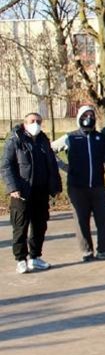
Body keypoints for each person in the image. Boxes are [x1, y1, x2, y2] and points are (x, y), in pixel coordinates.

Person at [52, 105, 105, 261]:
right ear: (79, 118)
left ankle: (104, 250)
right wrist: (65, 167)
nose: (88, 118)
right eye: (85, 115)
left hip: (98, 186)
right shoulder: (70, 137)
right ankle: (87, 252)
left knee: (104, 218)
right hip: (77, 186)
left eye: (91, 115)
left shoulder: (101, 139)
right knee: (81, 219)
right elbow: (51, 150)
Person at [2, 113, 62, 274]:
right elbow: (6, 165)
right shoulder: (15, 140)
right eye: (32, 121)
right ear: (25, 123)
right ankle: (21, 259)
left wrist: (55, 187)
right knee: (20, 227)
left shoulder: (43, 140)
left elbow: (51, 165)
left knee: (40, 225)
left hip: (40, 191)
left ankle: (35, 257)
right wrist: (13, 188)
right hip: (22, 192)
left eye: (38, 121)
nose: (35, 124)